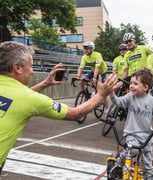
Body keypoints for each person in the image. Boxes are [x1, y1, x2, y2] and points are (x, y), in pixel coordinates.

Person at [0, 41, 119, 175]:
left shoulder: (22, 96)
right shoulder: (28, 98)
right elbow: (76, 113)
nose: (32, 72)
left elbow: (17, 99)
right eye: (31, 66)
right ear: (17, 68)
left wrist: (45, 84)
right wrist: (101, 94)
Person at [108, 68, 153, 180]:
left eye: (135, 84)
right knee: (133, 150)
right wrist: (112, 93)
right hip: (132, 134)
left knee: (147, 166)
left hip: (147, 137)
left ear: (145, 87)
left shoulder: (152, 101)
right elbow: (118, 102)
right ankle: (118, 165)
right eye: (131, 83)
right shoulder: (130, 97)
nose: (131, 86)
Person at [76, 41, 110, 113]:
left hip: (102, 72)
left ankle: (107, 110)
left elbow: (97, 67)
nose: (85, 50)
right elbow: (81, 67)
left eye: (87, 48)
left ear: (92, 49)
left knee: (103, 91)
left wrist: (94, 77)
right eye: (84, 48)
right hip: (93, 71)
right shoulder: (84, 57)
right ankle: (85, 94)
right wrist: (78, 76)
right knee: (82, 80)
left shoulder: (97, 55)